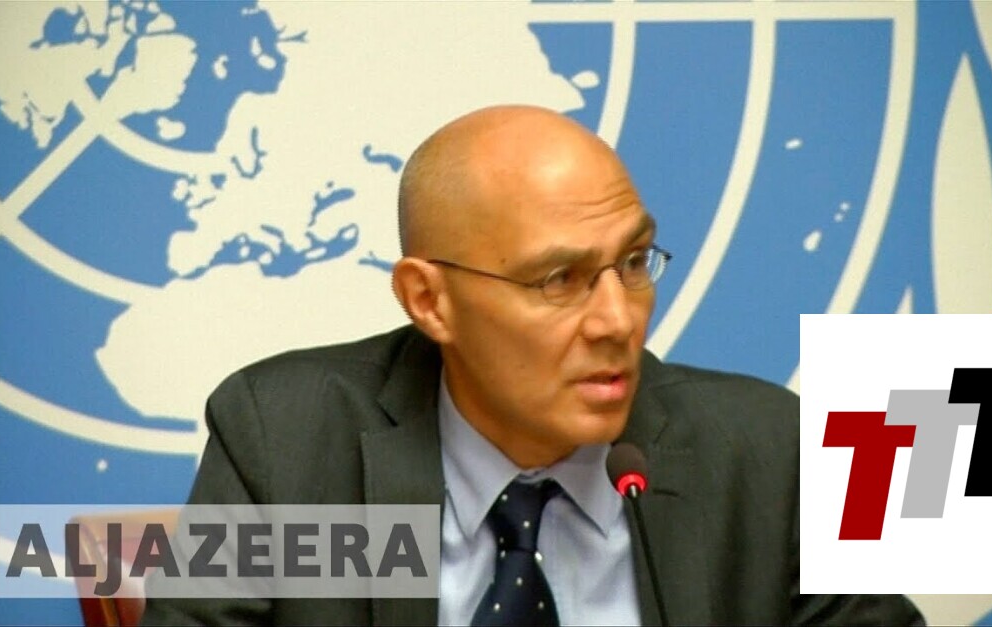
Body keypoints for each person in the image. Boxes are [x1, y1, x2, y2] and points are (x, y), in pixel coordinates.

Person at [142, 105, 923, 625]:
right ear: (429, 300)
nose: (617, 320)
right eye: (558, 279)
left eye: (633, 262)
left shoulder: (770, 453)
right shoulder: (288, 441)